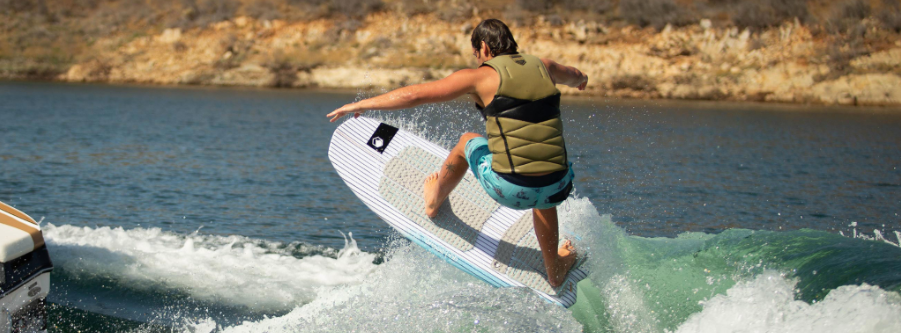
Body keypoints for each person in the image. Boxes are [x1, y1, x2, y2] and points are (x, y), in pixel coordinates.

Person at [327, 18, 588, 287]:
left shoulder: (479, 77)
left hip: (509, 189)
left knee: (467, 141)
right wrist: (582, 80)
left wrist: (361, 104)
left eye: (476, 54)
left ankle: (433, 201)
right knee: (543, 177)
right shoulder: (545, 66)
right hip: (559, 186)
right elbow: (576, 75)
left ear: (484, 48)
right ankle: (554, 269)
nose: (477, 60)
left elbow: (414, 95)